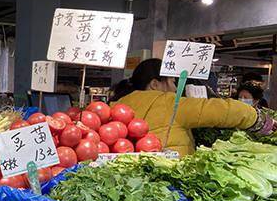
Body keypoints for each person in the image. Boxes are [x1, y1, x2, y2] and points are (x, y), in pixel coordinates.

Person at [112, 58, 275, 157]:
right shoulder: (168, 102)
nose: (176, 88)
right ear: (155, 83)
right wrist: (259, 121)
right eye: (172, 82)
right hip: (169, 178)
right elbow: (222, 110)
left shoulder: (117, 104)